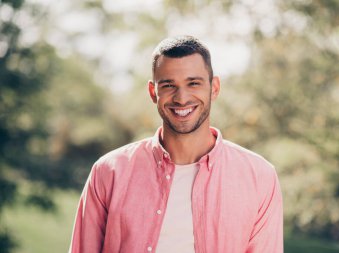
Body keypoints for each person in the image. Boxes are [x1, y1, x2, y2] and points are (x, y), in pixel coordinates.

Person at [69, 35, 283, 253]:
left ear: (214, 88)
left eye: (193, 83)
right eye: (169, 85)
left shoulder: (259, 177)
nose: (181, 98)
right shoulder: (109, 172)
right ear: (154, 92)